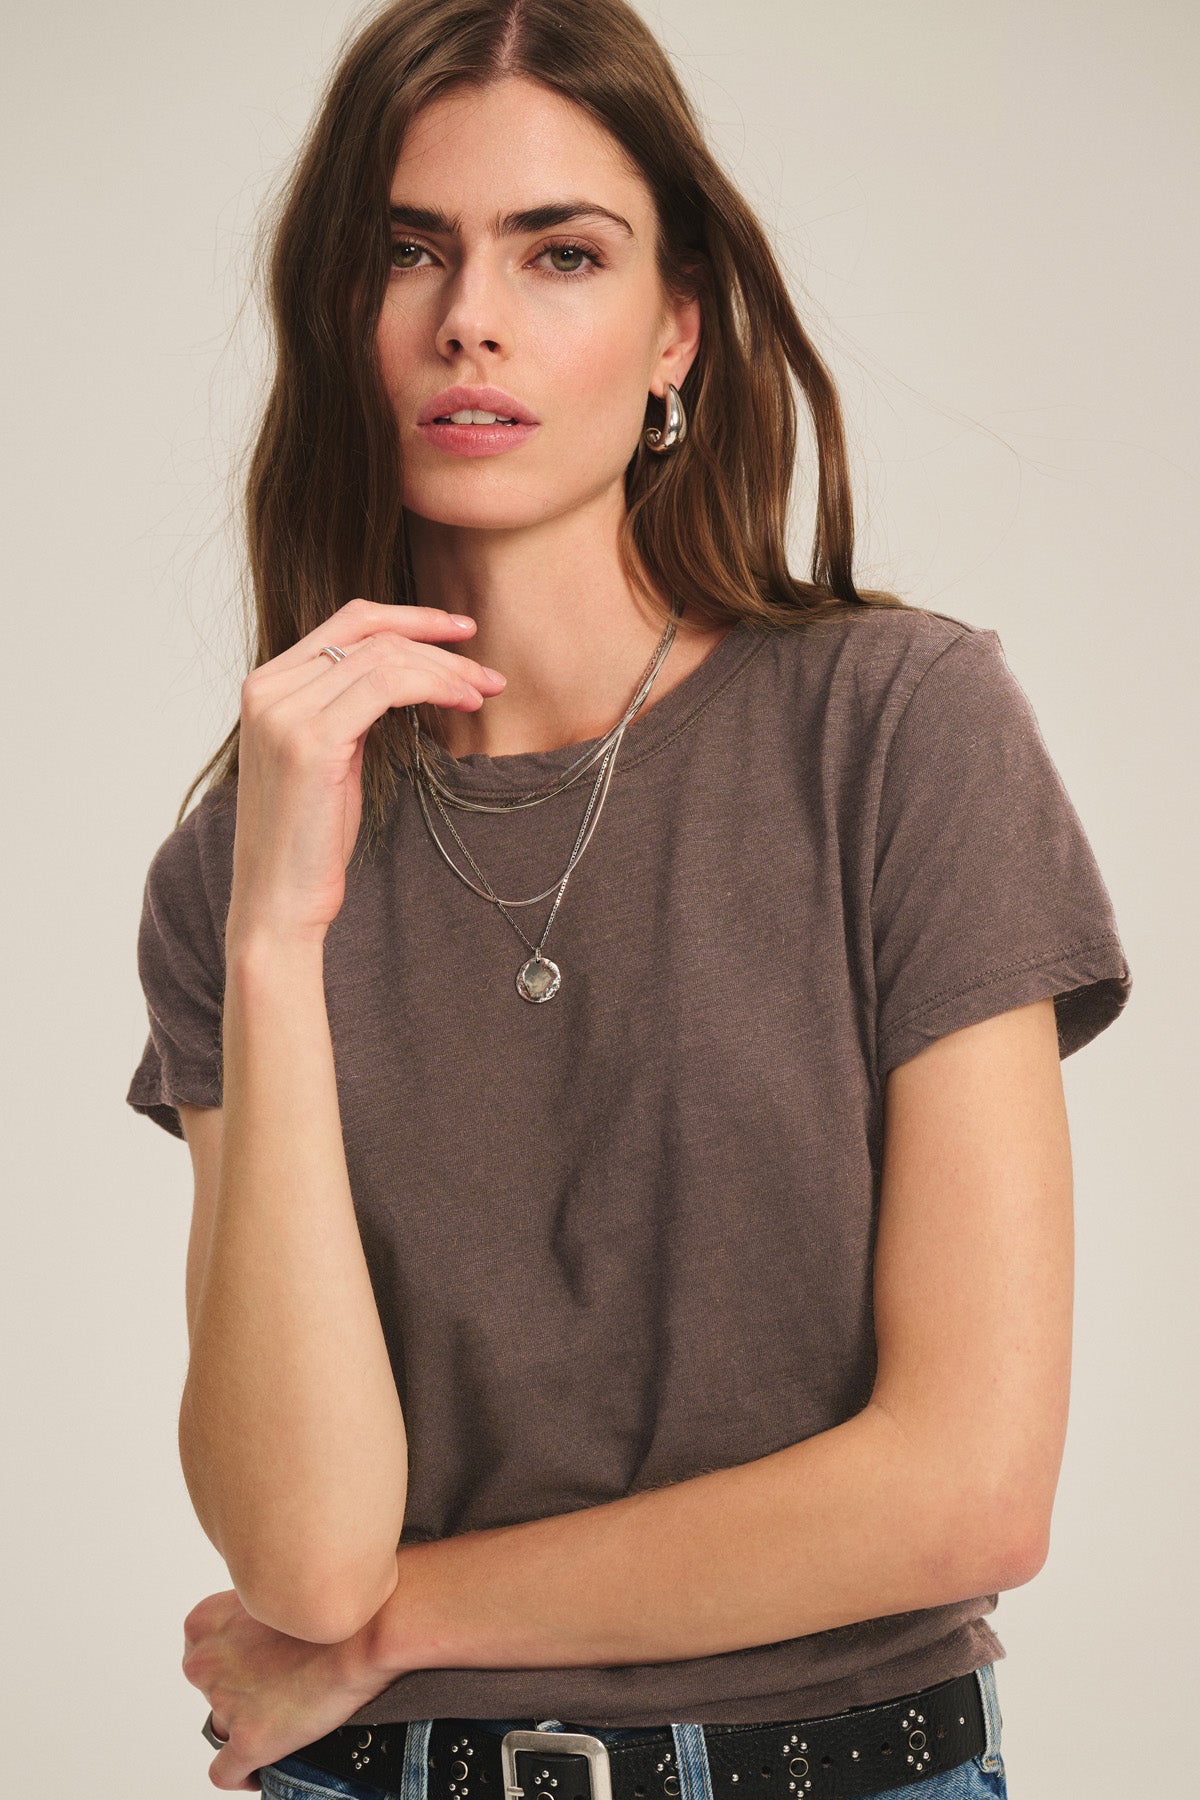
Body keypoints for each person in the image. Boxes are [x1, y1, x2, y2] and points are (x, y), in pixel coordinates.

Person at [125, 2, 1132, 1796]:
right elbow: (301, 1550)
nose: (471, 318)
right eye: (409, 249)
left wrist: (386, 1628)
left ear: (677, 332)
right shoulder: (235, 867)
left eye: (559, 251)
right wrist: (279, 945)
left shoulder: (896, 733)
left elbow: (967, 1488)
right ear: (341, 320)